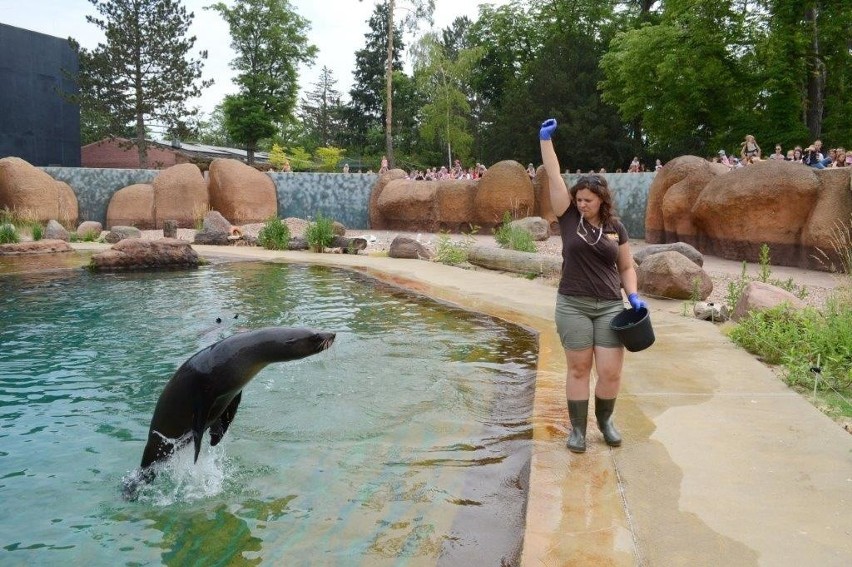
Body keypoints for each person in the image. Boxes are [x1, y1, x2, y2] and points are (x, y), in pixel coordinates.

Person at [538, 118, 646, 453]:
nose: (582, 204)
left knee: (611, 371)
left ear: (601, 200)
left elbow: (626, 265)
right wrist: (545, 141)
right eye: (579, 198)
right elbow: (554, 176)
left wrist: (634, 295)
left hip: (610, 307)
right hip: (573, 305)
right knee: (579, 367)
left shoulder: (616, 227)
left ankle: (606, 421)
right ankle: (578, 431)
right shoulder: (568, 218)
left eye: (588, 199)